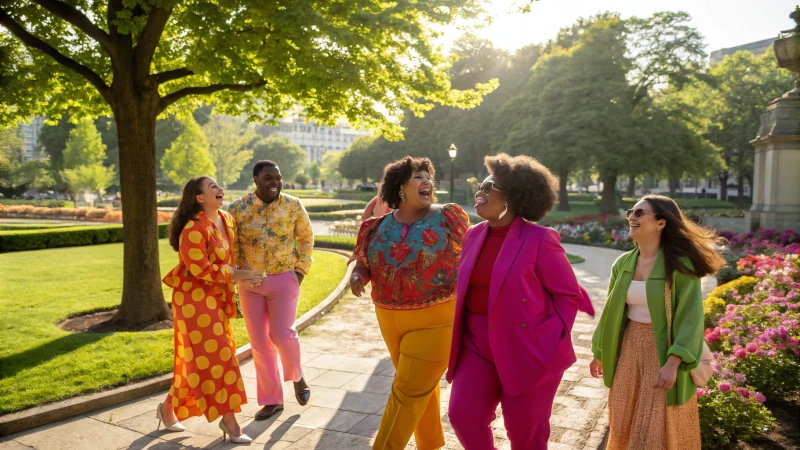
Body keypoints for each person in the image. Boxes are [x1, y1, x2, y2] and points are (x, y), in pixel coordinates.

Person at [447, 154, 594, 450]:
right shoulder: (473, 235)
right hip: (476, 343)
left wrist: (551, 336)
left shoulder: (540, 239)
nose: (480, 193)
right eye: (480, 186)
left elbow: (568, 294)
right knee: (463, 416)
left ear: (512, 198)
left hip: (528, 346)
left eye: (489, 187)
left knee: (525, 433)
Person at [349, 156, 469, 450]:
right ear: (400, 187)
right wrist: (357, 276)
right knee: (417, 387)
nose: (427, 181)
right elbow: (364, 263)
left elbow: (474, 256)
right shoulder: (374, 227)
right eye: (418, 177)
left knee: (406, 392)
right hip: (389, 321)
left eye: (429, 176)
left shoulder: (447, 217)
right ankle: (430, 444)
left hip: (437, 320)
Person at [590, 195, 725, 450]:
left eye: (640, 213)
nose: (632, 216)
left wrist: (673, 362)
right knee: (624, 414)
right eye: (632, 211)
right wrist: (599, 351)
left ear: (661, 223)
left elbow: (691, 319)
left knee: (658, 422)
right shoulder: (623, 263)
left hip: (663, 350)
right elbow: (610, 312)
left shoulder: (680, 267)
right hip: (629, 349)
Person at [159, 176, 264, 443]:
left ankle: (167, 408)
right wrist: (240, 275)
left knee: (200, 360)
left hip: (215, 296)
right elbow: (200, 270)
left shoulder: (226, 219)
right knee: (220, 358)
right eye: (212, 187)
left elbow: (229, 259)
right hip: (193, 299)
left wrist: (244, 273)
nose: (219, 189)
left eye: (219, 185)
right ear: (199, 198)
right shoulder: (193, 229)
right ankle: (230, 423)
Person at [227, 160, 315, 421]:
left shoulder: (293, 205)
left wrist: (299, 272)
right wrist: (237, 275)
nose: (275, 182)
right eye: (268, 178)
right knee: (260, 344)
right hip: (250, 285)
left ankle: (297, 376)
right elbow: (231, 246)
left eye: (278, 178)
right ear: (256, 180)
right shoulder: (237, 209)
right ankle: (272, 400)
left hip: (283, 280)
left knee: (282, 334)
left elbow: (307, 238)